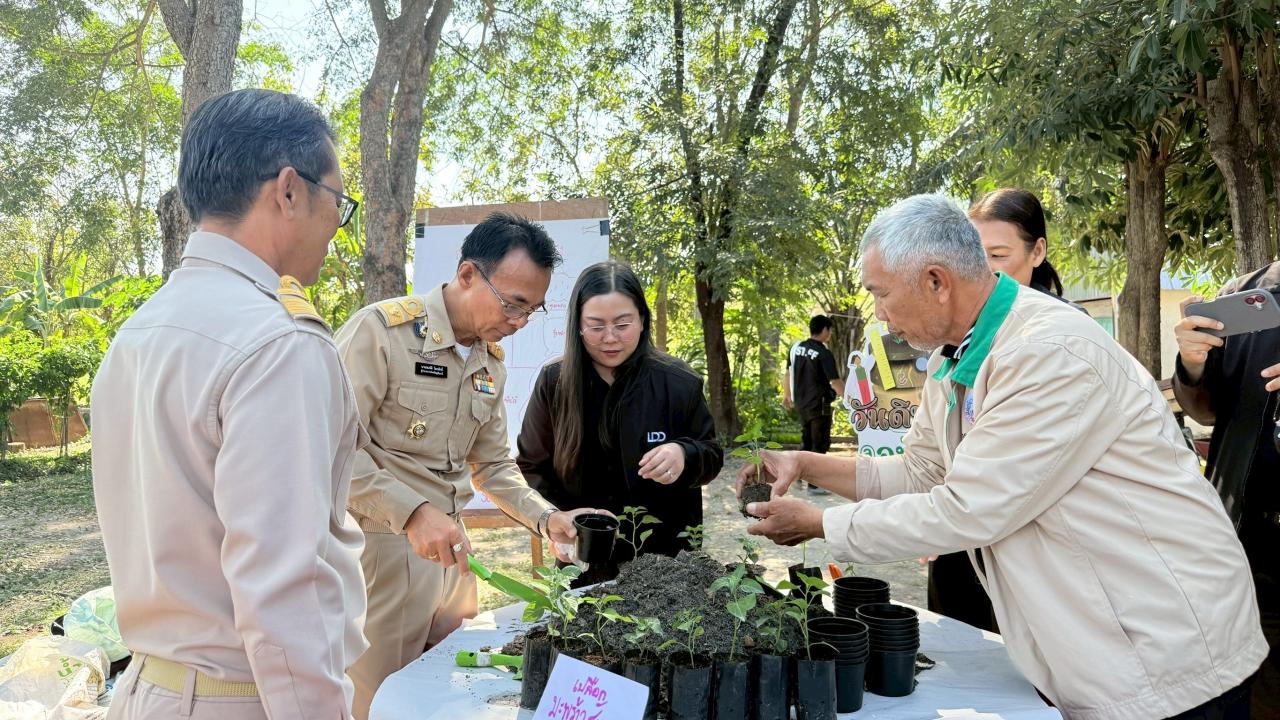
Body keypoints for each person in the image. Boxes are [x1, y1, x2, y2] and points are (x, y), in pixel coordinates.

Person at [739, 194, 1265, 719]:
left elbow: (970, 508)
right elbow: (923, 471)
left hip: (1163, 649)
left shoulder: (1047, 352)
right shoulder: (957, 356)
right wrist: (805, 466)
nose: (879, 314)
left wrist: (817, 524)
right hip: (1100, 643)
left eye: (880, 294)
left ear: (936, 281)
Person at [91, 89, 368, 719]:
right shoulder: (278, 342)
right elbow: (283, 592)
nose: (336, 226)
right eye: (339, 203)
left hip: (147, 689)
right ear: (290, 191)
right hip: (245, 697)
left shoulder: (140, 331)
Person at [334, 213, 608, 719]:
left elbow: (493, 467)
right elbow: (330, 451)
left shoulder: (488, 363)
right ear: (466, 275)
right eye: (513, 303)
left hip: (455, 556)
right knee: (376, 701)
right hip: (383, 550)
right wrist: (413, 513)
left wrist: (548, 520)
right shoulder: (382, 334)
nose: (521, 320)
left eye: (533, 308)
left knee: (449, 694)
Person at [917, 188, 1087, 634]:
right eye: (976, 254)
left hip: (1031, 549)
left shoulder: (1058, 340)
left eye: (999, 253)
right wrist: (921, 519)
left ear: (1038, 252)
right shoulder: (954, 346)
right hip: (961, 536)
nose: (985, 269)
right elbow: (930, 459)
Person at [516, 261, 722, 582]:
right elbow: (531, 466)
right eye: (596, 326)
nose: (610, 338)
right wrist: (555, 520)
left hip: (667, 566)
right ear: (578, 326)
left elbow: (711, 455)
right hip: (582, 562)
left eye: (622, 324)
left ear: (642, 319)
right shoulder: (554, 383)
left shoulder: (678, 382)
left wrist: (685, 454)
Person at [1173, 260, 1280, 717]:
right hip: (1245, 542)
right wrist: (1193, 364)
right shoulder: (1250, 292)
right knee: (1252, 691)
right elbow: (1208, 408)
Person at [784, 315, 845, 493]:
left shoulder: (796, 348)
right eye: (830, 330)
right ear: (825, 330)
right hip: (820, 405)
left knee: (806, 441)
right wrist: (851, 400)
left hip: (801, 404)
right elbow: (834, 381)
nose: (830, 334)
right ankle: (814, 485)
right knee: (819, 444)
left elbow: (788, 373)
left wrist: (787, 395)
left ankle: (796, 477)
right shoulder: (824, 353)